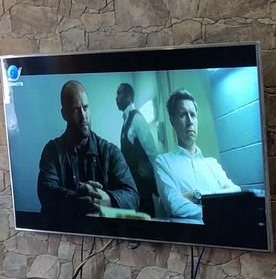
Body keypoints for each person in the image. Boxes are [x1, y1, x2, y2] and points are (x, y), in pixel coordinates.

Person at [37, 80, 139, 221]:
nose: (83, 116)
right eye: (75, 109)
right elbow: (46, 193)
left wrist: (107, 199)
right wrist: (76, 198)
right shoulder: (52, 151)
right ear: (64, 114)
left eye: (85, 107)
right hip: (66, 233)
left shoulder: (110, 151)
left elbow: (133, 196)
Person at [153, 89, 240, 220]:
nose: (190, 122)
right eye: (183, 115)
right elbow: (175, 206)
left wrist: (195, 195)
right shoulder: (164, 162)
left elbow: (236, 192)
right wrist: (218, 207)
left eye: (193, 115)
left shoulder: (212, 164)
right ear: (172, 121)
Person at [116, 83, 159, 217]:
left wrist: (158, 183)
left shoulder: (137, 118)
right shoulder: (126, 120)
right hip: (133, 185)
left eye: (119, 93)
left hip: (142, 185)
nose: (116, 98)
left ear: (128, 97)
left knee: (146, 218)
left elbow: (152, 152)